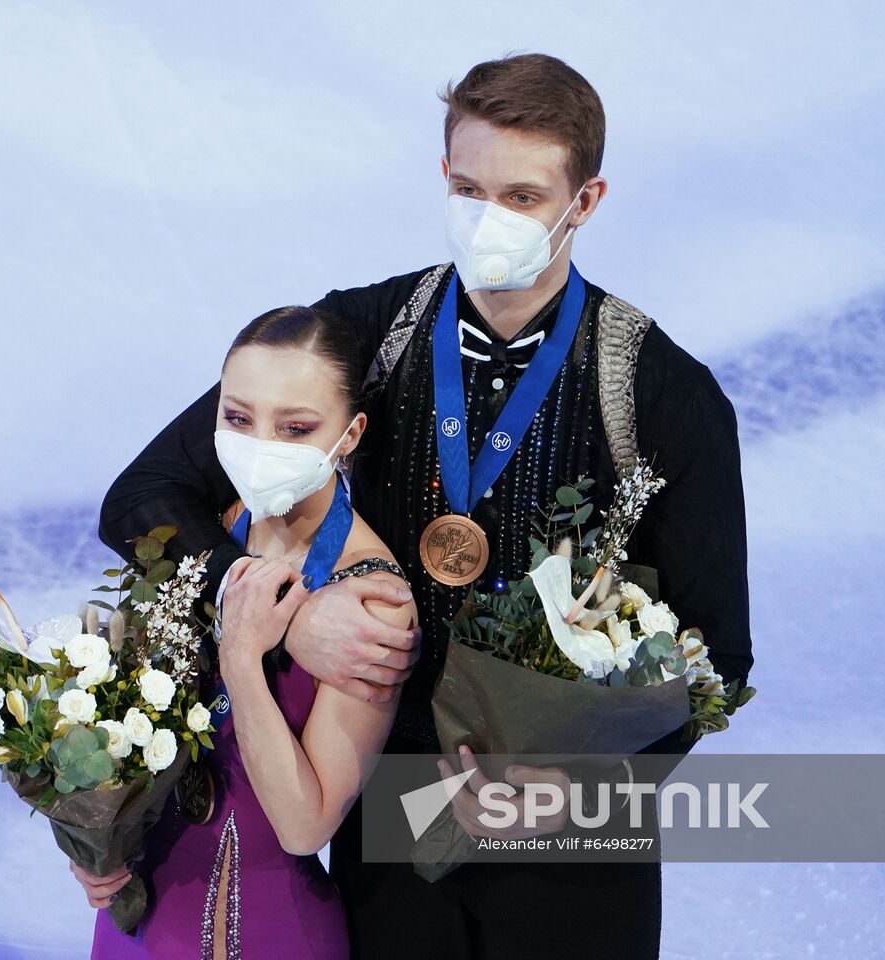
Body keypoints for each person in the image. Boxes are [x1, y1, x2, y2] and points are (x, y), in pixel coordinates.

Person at [99, 53, 753, 959]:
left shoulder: (665, 396)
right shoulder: (361, 336)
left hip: (574, 854)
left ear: (586, 201)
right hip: (390, 820)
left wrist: (580, 787)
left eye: (522, 197)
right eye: (467, 186)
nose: (489, 216)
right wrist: (281, 616)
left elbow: (717, 653)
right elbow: (144, 500)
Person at [79, 306, 417, 959]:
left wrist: (240, 654)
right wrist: (93, 841)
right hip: (135, 916)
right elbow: (120, 719)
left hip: (256, 927)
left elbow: (304, 824)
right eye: (238, 418)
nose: (261, 444)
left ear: (349, 435)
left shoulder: (374, 602)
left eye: (295, 427)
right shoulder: (209, 532)